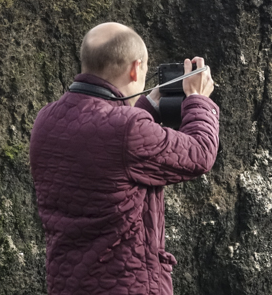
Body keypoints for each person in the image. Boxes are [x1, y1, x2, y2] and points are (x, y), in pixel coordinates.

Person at [29, 22, 219, 295]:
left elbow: (106, 145)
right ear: (134, 68)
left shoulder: (46, 119)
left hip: (68, 283)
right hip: (128, 284)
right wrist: (198, 99)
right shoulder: (127, 129)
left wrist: (149, 106)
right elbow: (200, 154)